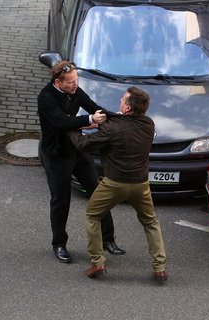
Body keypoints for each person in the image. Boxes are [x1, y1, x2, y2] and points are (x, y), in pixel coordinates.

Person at [68, 86, 168, 283]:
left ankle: (97, 262)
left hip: (114, 184)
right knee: (150, 222)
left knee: (93, 216)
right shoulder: (149, 124)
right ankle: (160, 267)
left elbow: (83, 144)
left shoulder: (112, 129)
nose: (119, 102)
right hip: (140, 184)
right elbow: (123, 121)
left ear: (128, 108)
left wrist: (72, 127)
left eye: (122, 100)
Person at [37, 60, 125, 264]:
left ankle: (108, 240)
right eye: (70, 82)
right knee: (61, 200)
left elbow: (95, 109)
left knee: (98, 193)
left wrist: (117, 118)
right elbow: (62, 122)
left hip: (77, 149)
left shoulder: (76, 91)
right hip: (56, 154)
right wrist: (89, 120)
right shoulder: (46, 98)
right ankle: (59, 244)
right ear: (58, 82)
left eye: (76, 80)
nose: (75, 85)